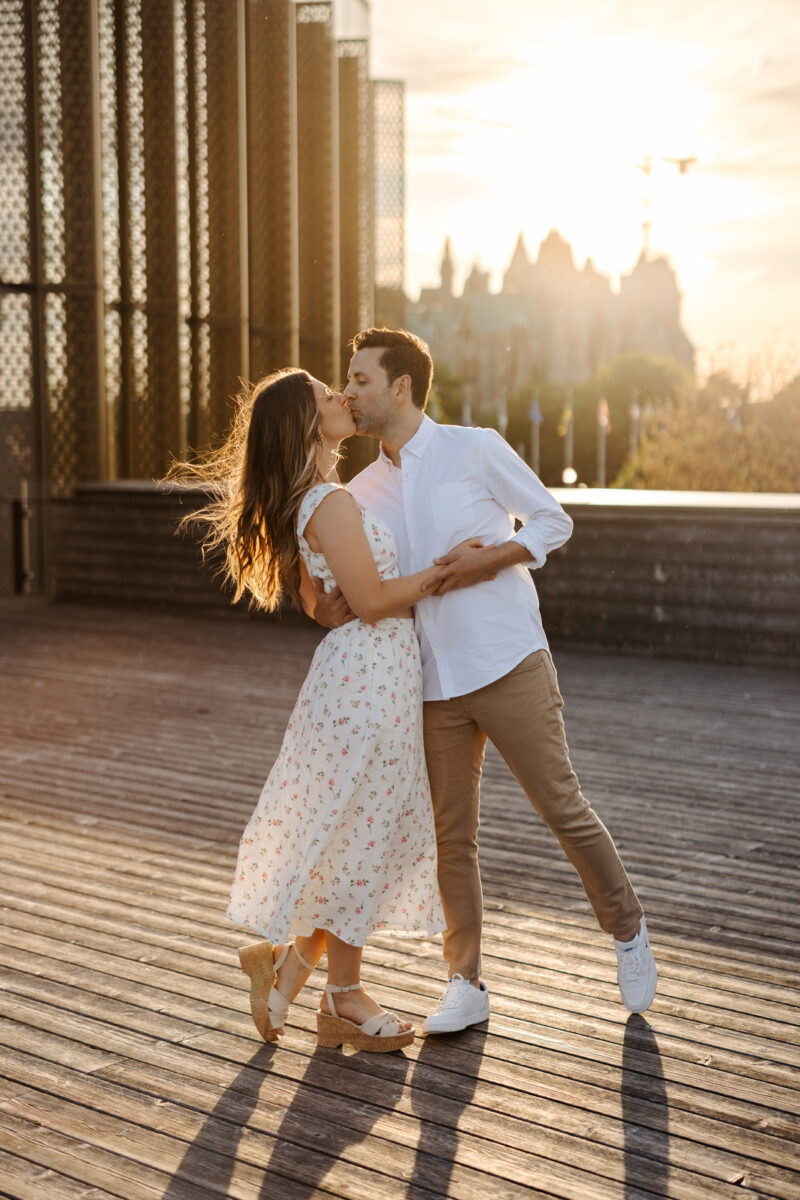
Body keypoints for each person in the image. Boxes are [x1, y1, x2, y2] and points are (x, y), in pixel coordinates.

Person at [310, 328, 658, 1034]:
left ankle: (627, 928)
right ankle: (464, 983)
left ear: (402, 386)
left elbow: (552, 520)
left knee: (561, 806)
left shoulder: (475, 448)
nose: (348, 392)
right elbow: (348, 583)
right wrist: (327, 605)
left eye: (361, 379)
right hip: (429, 680)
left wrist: (490, 559)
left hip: (505, 660)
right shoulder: (360, 491)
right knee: (452, 837)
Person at [181, 368, 446, 1053]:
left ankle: (295, 976)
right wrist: (449, 571)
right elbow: (372, 601)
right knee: (361, 835)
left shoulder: (313, 499)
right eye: (329, 396)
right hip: (369, 682)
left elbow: (318, 599)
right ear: (308, 424)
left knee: (353, 834)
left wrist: (328, 604)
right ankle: (340, 994)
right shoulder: (328, 501)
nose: (343, 398)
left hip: (363, 678)